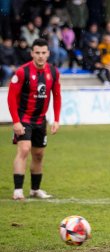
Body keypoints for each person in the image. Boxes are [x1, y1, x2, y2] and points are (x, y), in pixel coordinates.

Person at [7, 38, 61, 200]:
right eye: (37, 53)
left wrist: (56, 119)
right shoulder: (22, 72)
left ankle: (35, 190)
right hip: (24, 118)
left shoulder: (53, 72)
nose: (40, 56)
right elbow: (11, 97)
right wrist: (16, 121)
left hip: (40, 120)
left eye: (43, 53)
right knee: (24, 149)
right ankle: (18, 190)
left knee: (38, 155)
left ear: (48, 54)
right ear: (32, 53)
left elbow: (57, 96)